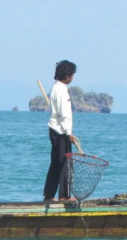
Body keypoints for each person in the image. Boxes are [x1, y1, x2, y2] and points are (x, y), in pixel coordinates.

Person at [43, 60, 78, 202]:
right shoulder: (61, 90)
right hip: (61, 131)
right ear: (67, 75)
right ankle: (64, 196)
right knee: (65, 163)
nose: (72, 77)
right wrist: (69, 132)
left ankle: (49, 195)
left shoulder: (56, 88)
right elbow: (64, 113)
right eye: (72, 75)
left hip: (55, 130)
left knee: (56, 163)